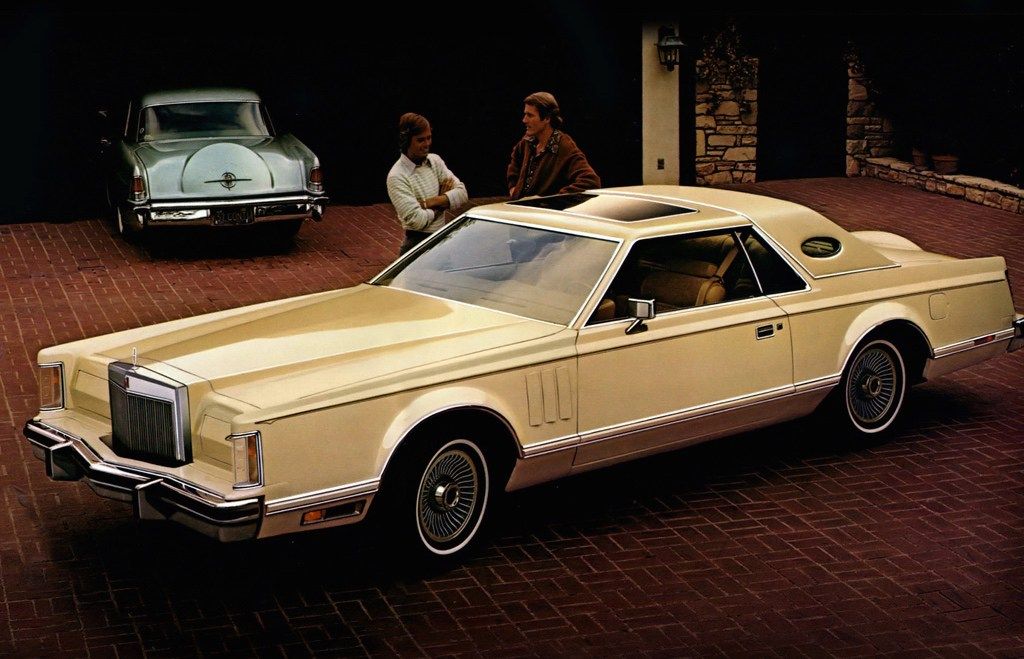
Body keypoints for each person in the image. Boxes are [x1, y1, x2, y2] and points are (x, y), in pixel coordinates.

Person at [386, 112, 468, 254]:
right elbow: (417, 220)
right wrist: (444, 202)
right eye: (420, 140)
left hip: (441, 240)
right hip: (416, 245)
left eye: (429, 138)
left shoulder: (435, 161)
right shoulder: (397, 176)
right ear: (406, 141)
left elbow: (462, 194)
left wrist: (429, 202)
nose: (427, 144)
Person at [506, 91, 601, 200]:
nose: (524, 120)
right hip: (518, 208)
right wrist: (514, 189)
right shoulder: (527, 141)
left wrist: (551, 200)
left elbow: (591, 181)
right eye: (525, 114)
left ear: (547, 118)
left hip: (541, 210)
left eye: (530, 115)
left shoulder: (564, 146)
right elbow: (514, 165)